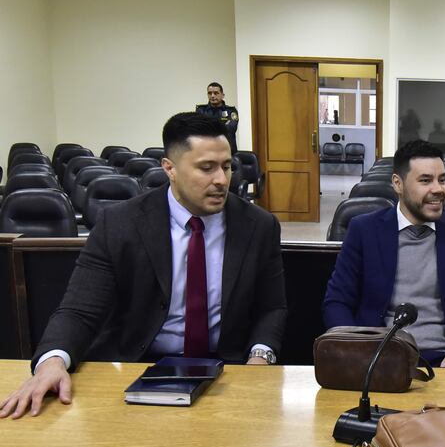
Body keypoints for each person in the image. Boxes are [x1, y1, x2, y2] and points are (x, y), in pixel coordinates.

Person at [0, 112, 287, 418]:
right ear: (169, 168)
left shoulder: (259, 226)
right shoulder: (120, 223)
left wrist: (259, 359)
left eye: (227, 166)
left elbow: (271, 307)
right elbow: (80, 310)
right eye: (206, 168)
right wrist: (52, 362)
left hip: (228, 370)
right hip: (137, 366)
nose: (221, 180)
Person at [323, 139, 445, 367]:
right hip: (377, 358)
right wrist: (357, 350)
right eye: (425, 180)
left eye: (442, 180)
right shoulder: (364, 230)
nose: (438, 189)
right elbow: (337, 302)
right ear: (398, 184)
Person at [196, 82, 238, 152]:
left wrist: (209, 127)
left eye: (216, 93)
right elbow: (199, 130)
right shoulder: (201, 111)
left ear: (222, 95)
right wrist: (223, 125)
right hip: (207, 151)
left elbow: (231, 129)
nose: (212, 96)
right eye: (210, 93)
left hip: (227, 150)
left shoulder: (231, 111)